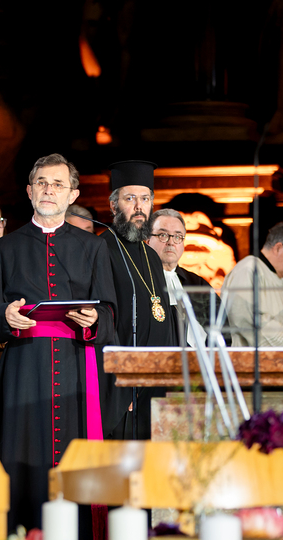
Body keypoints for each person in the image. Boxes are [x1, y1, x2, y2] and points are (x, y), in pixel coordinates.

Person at [0, 153, 116, 532]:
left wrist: (96, 319)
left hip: (76, 368)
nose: (49, 190)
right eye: (41, 183)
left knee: (75, 458)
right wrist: (4, 316)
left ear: (73, 195)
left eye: (57, 184)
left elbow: (109, 313)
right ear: (29, 191)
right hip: (23, 369)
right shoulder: (4, 248)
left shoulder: (93, 247)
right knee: (21, 456)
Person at [101, 160, 176, 440]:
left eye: (145, 199)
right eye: (130, 198)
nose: (139, 207)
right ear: (113, 205)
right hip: (123, 385)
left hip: (155, 382)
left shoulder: (152, 257)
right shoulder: (100, 249)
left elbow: (162, 317)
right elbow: (103, 321)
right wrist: (121, 384)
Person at [223, 221, 283, 346]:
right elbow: (245, 319)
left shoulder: (277, 278)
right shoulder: (248, 269)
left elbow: (279, 320)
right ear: (278, 248)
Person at [146, 208, 214, 344]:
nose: (171, 242)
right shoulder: (137, 280)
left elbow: (221, 331)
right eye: (163, 235)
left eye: (177, 237)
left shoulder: (197, 284)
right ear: (147, 240)